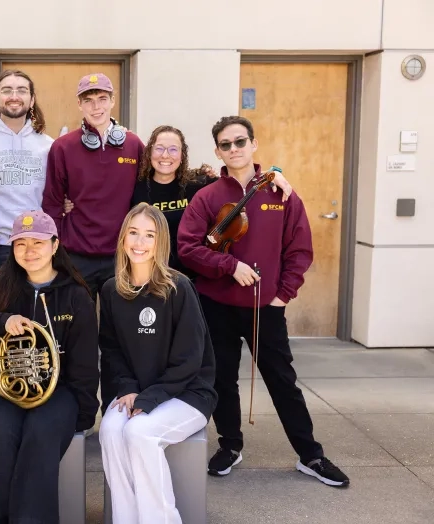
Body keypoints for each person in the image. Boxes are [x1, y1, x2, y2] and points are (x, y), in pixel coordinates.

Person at [177, 115, 349, 487]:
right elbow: (187, 247)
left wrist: (283, 294)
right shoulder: (208, 196)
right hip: (216, 304)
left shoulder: (280, 192)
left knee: (282, 380)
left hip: (264, 307)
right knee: (222, 379)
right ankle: (230, 445)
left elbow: (299, 248)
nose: (234, 149)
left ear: (253, 144)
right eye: (226, 144)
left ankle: (310, 455)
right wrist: (228, 265)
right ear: (217, 151)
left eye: (240, 142)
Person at [0, 210, 100, 524]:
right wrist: (0, 322)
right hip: (5, 389)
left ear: (55, 245)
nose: (29, 251)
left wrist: (83, 414)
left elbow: (85, 364)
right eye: (20, 244)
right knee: (2, 435)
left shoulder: (75, 296)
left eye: (38, 242)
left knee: (41, 433)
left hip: (60, 391)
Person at [98, 202, 217, 524]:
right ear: (123, 238)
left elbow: (190, 360)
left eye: (149, 235)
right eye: (133, 233)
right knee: (110, 430)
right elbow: (110, 351)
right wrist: (126, 389)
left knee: (139, 433)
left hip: (187, 394)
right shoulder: (111, 290)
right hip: (134, 391)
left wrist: (149, 398)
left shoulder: (179, 288)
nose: (140, 242)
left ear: (160, 242)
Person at [42, 72, 145, 414]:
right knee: (78, 338)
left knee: (121, 338)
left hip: (121, 260)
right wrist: (58, 252)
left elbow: (143, 200)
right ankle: (82, 413)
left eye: (102, 98)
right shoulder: (63, 147)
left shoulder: (133, 145)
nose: (96, 106)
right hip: (78, 258)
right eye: (89, 99)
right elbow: (53, 203)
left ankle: (118, 411)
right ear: (79, 104)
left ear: (113, 101)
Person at [130, 125, 293, 278]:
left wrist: (271, 175)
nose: (165, 155)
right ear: (149, 152)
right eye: (159, 148)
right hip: (148, 277)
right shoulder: (135, 189)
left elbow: (239, 182)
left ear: (182, 154)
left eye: (173, 149)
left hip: (191, 280)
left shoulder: (199, 184)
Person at [0, 70, 54, 268]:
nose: (14, 97)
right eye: (7, 91)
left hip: (37, 243)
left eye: (21, 91)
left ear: (31, 100)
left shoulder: (48, 146)